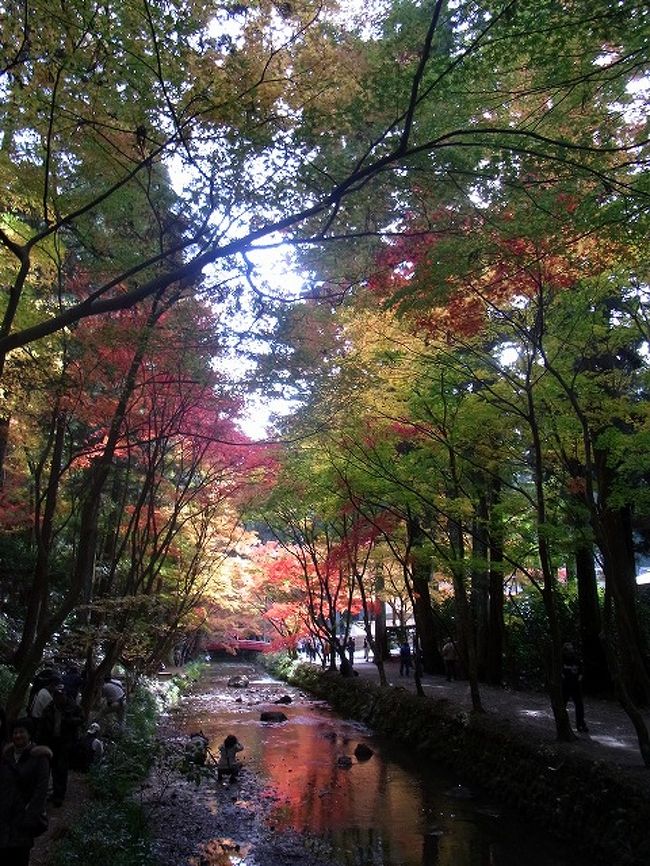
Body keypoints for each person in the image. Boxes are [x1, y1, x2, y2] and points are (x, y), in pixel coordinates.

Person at [0, 718, 52, 865]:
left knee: (19, 858)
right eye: (15, 732)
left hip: (23, 821)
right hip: (3, 819)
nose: (18, 736)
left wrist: (29, 819)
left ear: (29, 734)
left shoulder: (39, 758)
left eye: (22, 732)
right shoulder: (6, 756)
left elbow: (41, 791)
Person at [37, 683, 84, 806]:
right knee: (51, 768)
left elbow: (81, 719)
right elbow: (42, 725)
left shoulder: (72, 707)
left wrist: (69, 721)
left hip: (65, 742)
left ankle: (59, 796)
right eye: (56, 695)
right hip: (52, 741)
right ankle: (52, 793)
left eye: (61, 695)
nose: (58, 698)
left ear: (65, 696)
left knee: (61, 769)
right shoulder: (50, 708)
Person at [562, 642, 588, 732]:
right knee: (562, 705)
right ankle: (563, 724)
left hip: (576, 686)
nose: (570, 651)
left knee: (579, 705)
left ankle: (580, 724)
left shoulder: (576, 660)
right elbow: (559, 673)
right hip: (565, 686)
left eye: (571, 649)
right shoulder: (561, 661)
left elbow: (581, 671)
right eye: (568, 650)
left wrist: (579, 680)